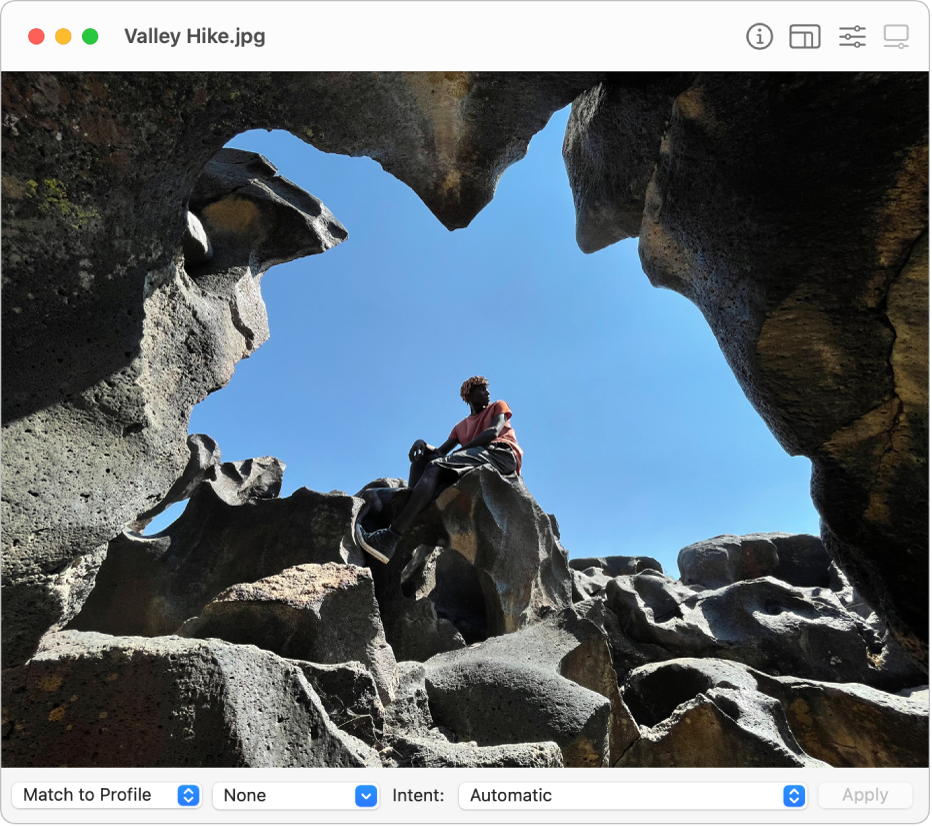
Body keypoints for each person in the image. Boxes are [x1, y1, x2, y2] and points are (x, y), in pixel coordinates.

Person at [355, 376, 523, 563]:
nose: (488, 392)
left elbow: (492, 432)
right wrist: (424, 445)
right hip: (475, 456)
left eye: (487, 389)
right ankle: (413, 506)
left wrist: (458, 452)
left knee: (435, 466)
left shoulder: (498, 406)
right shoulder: (460, 427)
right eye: (482, 389)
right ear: (469, 394)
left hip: (500, 453)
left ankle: (390, 537)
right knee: (423, 462)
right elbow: (442, 452)